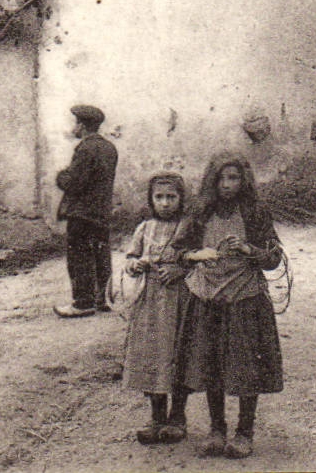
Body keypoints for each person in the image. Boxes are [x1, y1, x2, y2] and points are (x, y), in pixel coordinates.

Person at [174, 154, 284, 460]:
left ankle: (244, 432)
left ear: (244, 180)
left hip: (244, 298)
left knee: (247, 366)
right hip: (207, 297)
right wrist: (198, 255)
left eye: (234, 178)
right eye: (221, 178)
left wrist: (249, 249)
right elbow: (179, 251)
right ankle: (217, 429)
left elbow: (274, 258)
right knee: (211, 363)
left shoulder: (255, 212)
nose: (226, 185)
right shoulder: (200, 211)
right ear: (211, 180)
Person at [121, 172, 192, 445]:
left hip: (178, 301)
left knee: (177, 354)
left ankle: (178, 418)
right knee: (152, 355)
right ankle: (157, 417)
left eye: (171, 197)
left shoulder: (187, 227)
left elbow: (198, 258)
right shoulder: (145, 228)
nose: (165, 203)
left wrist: (180, 269)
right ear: (151, 200)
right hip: (149, 302)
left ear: (181, 199)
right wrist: (135, 264)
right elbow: (131, 257)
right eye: (159, 197)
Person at [53, 103, 118, 317]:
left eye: (76, 123)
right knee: (101, 254)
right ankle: (103, 299)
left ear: (82, 126)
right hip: (101, 211)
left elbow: (75, 183)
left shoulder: (85, 148)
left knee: (79, 256)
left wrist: (61, 177)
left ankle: (82, 302)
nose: (74, 128)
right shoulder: (109, 148)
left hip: (82, 213)